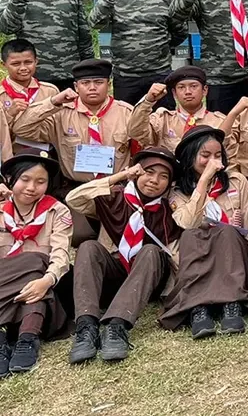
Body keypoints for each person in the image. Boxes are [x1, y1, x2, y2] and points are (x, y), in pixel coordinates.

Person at [65, 147, 180, 364]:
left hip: (148, 279)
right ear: (136, 173)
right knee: (88, 247)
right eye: (149, 172)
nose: (154, 180)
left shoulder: (168, 211)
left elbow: (175, 254)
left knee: (150, 250)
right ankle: (86, 326)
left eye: (163, 176)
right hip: (116, 272)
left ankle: (117, 326)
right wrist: (120, 176)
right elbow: (74, 198)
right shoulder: (115, 197)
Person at [158, 126, 248, 339]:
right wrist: (204, 181)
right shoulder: (177, 190)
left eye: (217, 155)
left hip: (231, 254)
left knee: (227, 232)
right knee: (191, 236)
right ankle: (198, 308)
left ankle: (230, 303)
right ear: (190, 158)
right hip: (199, 254)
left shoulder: (236, 181)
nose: (213, 161)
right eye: (205, 156)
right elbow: (187, 223)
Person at [14, 60, 133, 203]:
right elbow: (21, 128)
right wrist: (54, 101)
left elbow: (146, 142)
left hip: (116, 189)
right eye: (85, 83)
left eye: (98, 82)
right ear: (76, 87)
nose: (92, 87)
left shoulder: (126, 113)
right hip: (75, 190)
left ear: (109, 84)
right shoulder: (61, 114)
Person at [88, 0, 188, 106]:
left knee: (163, 124)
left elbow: (180, 31)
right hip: (126, 77)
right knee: (127, 126)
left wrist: (159, 48)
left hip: (159, 74)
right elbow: (95, 22)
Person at [0, 151, 70, 375]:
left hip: (42, 288)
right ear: (11, 180)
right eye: (25, 179)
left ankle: (26, 339)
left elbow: (61, 254)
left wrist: (47, 280)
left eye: (41, 182)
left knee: (38, 266)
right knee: (35, 261)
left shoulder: (57, 211)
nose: (32, 187)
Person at [127, 66, 225, 152]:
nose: (188, 92)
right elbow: (135, 132)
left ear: (204, 90)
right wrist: (148, 101)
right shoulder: (162, 120)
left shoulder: (219, 122)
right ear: (174, 93)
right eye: (181, 87)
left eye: (193, 86)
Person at [0, 39, 59, 130]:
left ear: (36, 62)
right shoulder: (1, 94)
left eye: (28, 62)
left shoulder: (50, 91)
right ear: (4, 65)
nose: (23, 68)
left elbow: (60, 125)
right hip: (12, 144)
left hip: (45, 142)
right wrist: (9, 114)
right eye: (16, 64)